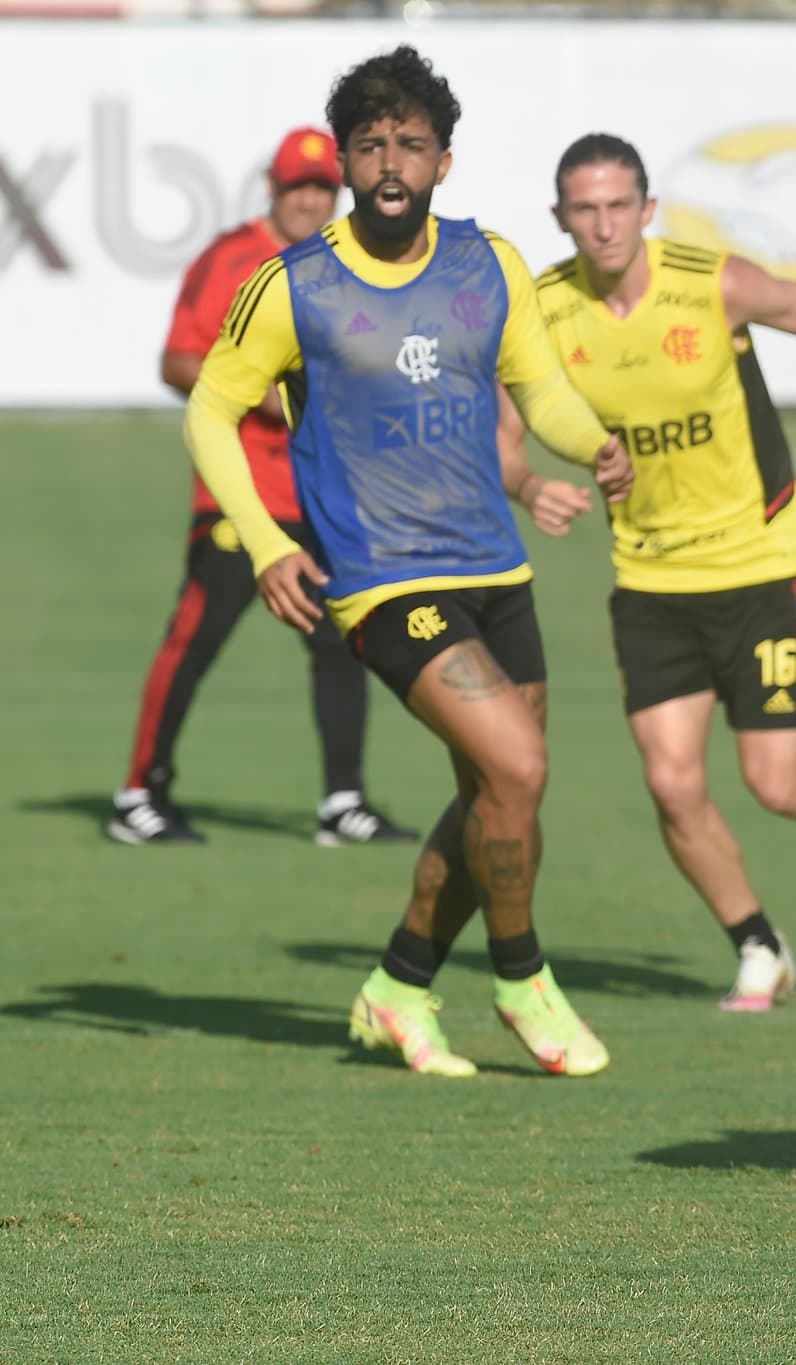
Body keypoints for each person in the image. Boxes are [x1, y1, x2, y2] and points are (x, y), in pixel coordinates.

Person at [183, 46, 635, 1078]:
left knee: (496, 791)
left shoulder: (491, 264)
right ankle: (521, 979)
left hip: (494, 565)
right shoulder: (293, 285)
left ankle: (396, 986)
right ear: (345, 158)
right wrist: (264, 545)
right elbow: (211, 411)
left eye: (412, 144)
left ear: (444, 158)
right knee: (518, 765)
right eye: (372, 144)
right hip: (384, 580)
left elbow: (541, 390)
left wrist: (594, 441)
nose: (392, 162)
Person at [497, 133, 796, 1013]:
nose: (602, 225)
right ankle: (757, 943)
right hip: (649, 576)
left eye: (617, 206)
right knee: (671, 782)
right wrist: (527, 485)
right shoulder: (547, 310)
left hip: (760, 562)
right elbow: (504, 429)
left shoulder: (711, 283)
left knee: (776, 782)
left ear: (646, 210)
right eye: (583, 210)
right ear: (561, 218)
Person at [109, 127, 414, 850]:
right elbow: (180, 360)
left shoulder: (344, 264)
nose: (309, 200)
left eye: (320, 187)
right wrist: (267, 397)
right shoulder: (234, 259)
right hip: (241, 493)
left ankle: (343, 801)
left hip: (323, 494)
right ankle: (138, 792)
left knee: (341, 641)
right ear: (273, 190)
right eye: (295, 187)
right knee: (197, 637)